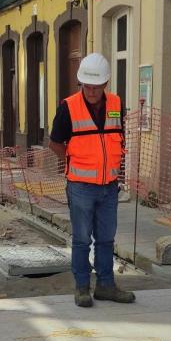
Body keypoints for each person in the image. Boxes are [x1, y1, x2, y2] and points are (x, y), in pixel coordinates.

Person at [48, 53, 135, 308]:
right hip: (81, 187)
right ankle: (82, 287)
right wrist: (74, 161)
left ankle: (106, 285)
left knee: (107, 239)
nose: (92, 92)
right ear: (81, 84)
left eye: (97, 87)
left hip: (109, 186)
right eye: (88, 87)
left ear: (105, 84)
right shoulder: (69, 107)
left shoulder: (117, 103)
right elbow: (55, 143)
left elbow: (117, 134)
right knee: (82, 239)